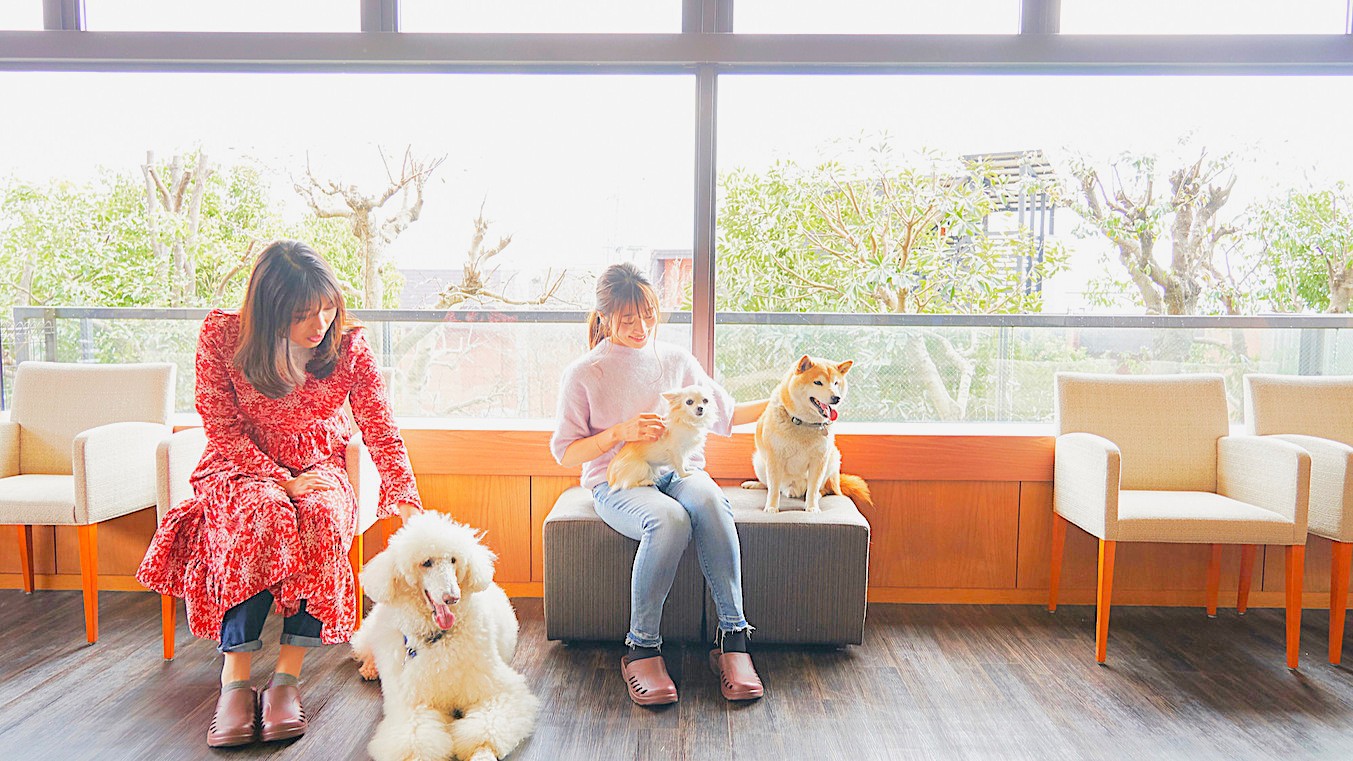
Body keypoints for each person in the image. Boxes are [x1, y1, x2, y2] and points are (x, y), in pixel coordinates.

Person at [137, 240, 422, 747]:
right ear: (268, 311)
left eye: (327, 308)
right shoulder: (223, 335)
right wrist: (277, 477)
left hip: (320, 463)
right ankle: (236, 682)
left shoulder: (348, 345)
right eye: (301, 315)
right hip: (240, 462)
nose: (319, 325)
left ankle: (286, 680)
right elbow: (220, 426)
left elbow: (380, 425)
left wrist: (404, 493)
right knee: (262, 514)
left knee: (323, 516)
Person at [550, 262, 768, 706]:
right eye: (628, 319)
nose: (640, 327)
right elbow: (566, 453)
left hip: (679, 472)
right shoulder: (584, 373)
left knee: (709, 501)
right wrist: (618, 433)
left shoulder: (677, 361)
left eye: (648, 316)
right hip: (621, 482)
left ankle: (733, 639)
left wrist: (791, 394)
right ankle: (641, 647)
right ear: (605, 317)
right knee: (668, 520)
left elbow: (727, 413)